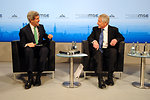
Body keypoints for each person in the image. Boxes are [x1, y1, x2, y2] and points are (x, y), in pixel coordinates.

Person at [87, 14, 125, 89]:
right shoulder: (95, 29)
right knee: (98, 55)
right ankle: (100, 79)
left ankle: (110, 78)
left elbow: (121, 37)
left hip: (108, 49)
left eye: (99, 21)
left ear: (105, 23)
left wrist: (116, 40)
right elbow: (89, 38)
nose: (97, 23)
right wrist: (94, 41)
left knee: (113, 52)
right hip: (99, 49)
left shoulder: (114, 29)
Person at [19, 11, 53, 89]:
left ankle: (38, 76)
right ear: (31, 20)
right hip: (30, 50)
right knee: (28, 50)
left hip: (40, 48)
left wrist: (48, 36)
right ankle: (30, 78)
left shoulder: (41, 27)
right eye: (37, 19)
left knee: (45, 50)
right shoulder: (23, 30)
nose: (39, 20)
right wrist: (28, 44)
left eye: (39, 18)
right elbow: (22, 43)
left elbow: (44, 35)